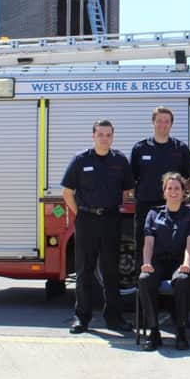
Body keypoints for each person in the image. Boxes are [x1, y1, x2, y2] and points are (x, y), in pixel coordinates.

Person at [61, 119, 135, 334]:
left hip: (111, 219)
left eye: (108, 134)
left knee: (111, 271)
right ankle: (82, 318)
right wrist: (82, 213)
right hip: (86, 220)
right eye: (100, 134)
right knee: (84, 270)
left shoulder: (119, 161)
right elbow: (67, 192)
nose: (105, 138)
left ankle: (114, 317)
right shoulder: (81, 160)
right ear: (93, 136)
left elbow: (127, 191)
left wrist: (108, 206)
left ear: (113, 137)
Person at [131, 106, 190, 273]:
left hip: (173, 210)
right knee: (144, 249)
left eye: (167, 121)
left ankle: (178, 286)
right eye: (159, 121)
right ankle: (145, 290)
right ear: (153, 122)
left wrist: (182, 194)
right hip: (146, 208)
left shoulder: (179, 148)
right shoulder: (140, 148)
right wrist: (136, 193)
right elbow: (130, 178)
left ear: (171, 124)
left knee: (174, 249)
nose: (163, 124)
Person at [138, 172, 190, 351]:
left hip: (179, 261)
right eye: (169, 188)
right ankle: (153, 331)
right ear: (164, 192)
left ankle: (180, 331)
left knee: (182, 280)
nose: (173, 191)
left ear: (183, 192)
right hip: (158, 261)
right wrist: (146, 263)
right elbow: (148, 242)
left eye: (177, 188)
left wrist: (187, 263)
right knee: (144, 279)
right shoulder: (153, 214)